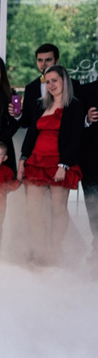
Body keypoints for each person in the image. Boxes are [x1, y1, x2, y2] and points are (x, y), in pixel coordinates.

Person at [18, 65, 84, 265]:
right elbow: (31, 134)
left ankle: (55, 253)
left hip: (60, 163)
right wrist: (22, 160)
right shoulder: (40, 105)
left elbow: (75, 138)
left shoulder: (74, 105)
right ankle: (41, 251)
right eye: (47, 82)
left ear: (64, 80)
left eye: (55, 80)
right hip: (36, 162)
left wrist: (64, 165)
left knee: (58, 209)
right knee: (33, 210)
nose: (51, 85)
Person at [18, 43, 80, 129]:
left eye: (48, 60)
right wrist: (17, 115)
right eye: (40, 60)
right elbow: (26, 122)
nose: (43, 64)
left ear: (57, 61)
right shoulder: (30, 88)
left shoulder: (74, 85)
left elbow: (78, 118)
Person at [75, 77, 98, 262]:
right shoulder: (85, 90)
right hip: (92, 161)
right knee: (94, 208)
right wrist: (87, 119)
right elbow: (73, 123)